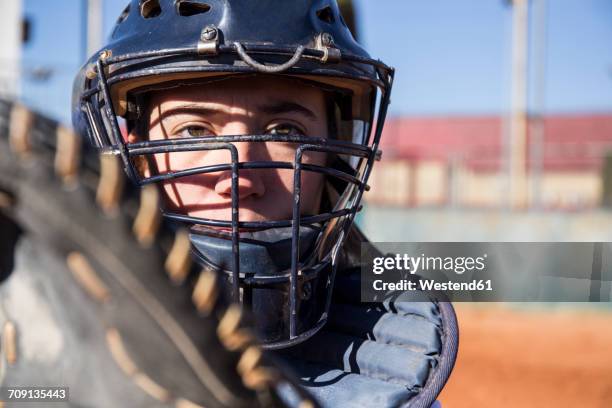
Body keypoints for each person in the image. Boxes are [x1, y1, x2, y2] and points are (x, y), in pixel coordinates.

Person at [72, 1, 458, 406]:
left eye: (285, 131)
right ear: (133, 155)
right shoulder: (43, 336)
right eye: (192, 130)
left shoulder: (390, 372)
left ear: (333, 156)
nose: (240, 181)